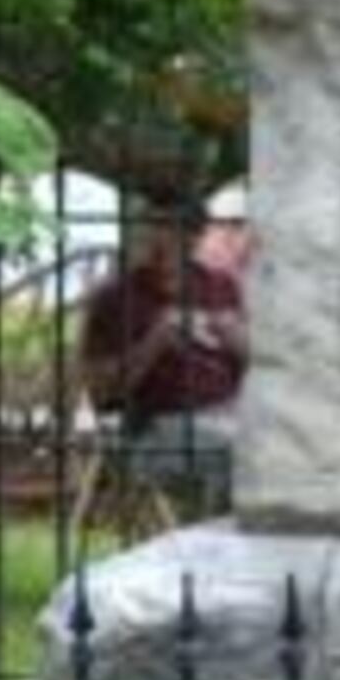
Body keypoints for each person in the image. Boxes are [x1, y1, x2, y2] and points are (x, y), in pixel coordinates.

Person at [76, 186, 252, 515]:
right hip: (155, 429)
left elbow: (260, 368)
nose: (163, 239)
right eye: (156, 227)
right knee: (239, 457)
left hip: (232, 414)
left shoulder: (219, 286)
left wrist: (239, 340)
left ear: (196, 236)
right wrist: (154, 341)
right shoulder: (115, 298)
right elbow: (100, 394)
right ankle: (217, 555)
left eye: (177, 229)